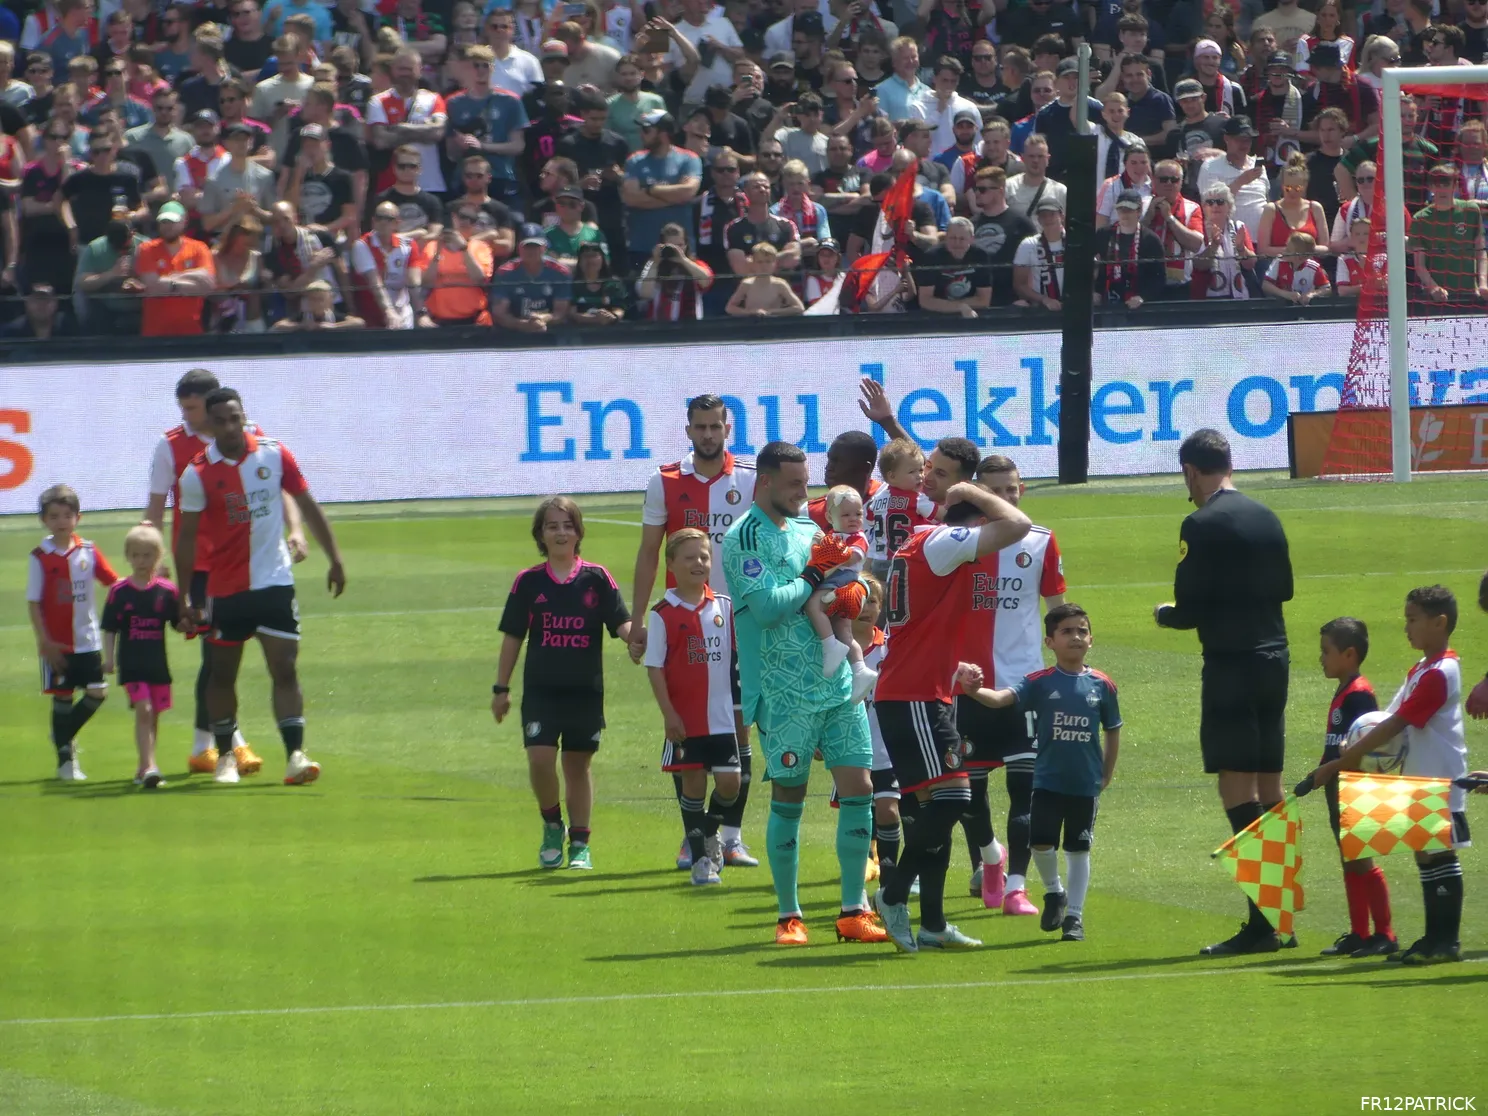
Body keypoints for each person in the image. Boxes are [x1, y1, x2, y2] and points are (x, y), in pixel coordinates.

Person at [720, 441, 888, 947]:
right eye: (794, 484)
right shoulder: (743, 537)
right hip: (782, 688)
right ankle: (789, 916)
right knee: (789, 793)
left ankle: (852, 910)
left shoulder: (810, 529)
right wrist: (815, 576)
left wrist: (848, 591)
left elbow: (838, 589)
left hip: (836, 683)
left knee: (859, 786)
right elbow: (769, 608)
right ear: (765, 482)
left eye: (806, 481)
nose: (803, 492)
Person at [871, 478, 1032, 953]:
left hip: (920, 688)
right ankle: (893, 892)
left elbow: (918, 620)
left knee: (930, 814)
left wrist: (949, 666)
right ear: (976, 519)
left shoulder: (920, 543)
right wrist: (968, 490)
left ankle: (934, 924)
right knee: (954, 796)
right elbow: (1017, 524)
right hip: (915, 695)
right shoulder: (944, 541)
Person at [1154, 428, 1295, 956]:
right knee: (1271, 787)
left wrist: (1167, 617)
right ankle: (1283, 914)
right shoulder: (1267, 515)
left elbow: (1187, 610)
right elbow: (1285, 589)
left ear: (1191, 470)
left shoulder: (1200, 522)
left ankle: (1263, 924)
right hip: (1274, 659)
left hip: (1232, 664)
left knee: (1237, 788)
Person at [174, 387, 345, 787]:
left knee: (284, 667)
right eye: (221, 421)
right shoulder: (197, 474)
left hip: (274, 582)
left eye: (236, 417)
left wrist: (334, 557)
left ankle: (296, 756)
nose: (231, 427)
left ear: (243, 415)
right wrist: (185, 595)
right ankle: (225, 757)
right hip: (225, 588)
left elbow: (306, 503)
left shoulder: (274, 452)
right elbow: (186, 538)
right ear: (209, 425)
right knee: (221, 675)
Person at [1297, 586, 1469, 965]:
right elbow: (1387, 718)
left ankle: (1446, 940)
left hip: (1440, 778)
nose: (1406, 628)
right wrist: (1356, 744)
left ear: (1439, 623)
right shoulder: (1422, 669)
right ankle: (1432, 937)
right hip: (1419, 779)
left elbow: (1395, 724)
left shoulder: (1441, 672)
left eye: (1412, 620)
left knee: (1440, 857)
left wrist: (1343, 759)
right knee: (1425, 856)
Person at [631, 393, 758, 870]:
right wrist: (640, 617)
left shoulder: (749, 479)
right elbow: (648, 553)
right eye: (699, 427)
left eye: (715, 426)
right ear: (688, 430)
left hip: (741, 625)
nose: (708, 434)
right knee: (686, 735)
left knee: (740, 733)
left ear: (728, 427)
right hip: (683, 627)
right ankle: (695, 840)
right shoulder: (665, 480)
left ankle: (730, 836)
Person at [145, 370, 291, 774]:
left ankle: (212, 746)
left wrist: (294, 532)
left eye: (193, 408)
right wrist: (157, 560)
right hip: (203, 566)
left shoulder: (251, 437)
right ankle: (219, 745)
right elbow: (156, 506)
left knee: (224, 656)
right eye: (184, 409)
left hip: (248, 563)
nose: (187, 416)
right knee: (217, 655)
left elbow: (279, 488)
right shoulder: (170, 445)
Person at [956, 602, 1119, 941]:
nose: (1076, 637)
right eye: (1067, 631)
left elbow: (1113, 729)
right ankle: (1053, 891)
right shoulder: (1040, 682)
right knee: (1041, 842)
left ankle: (1074, 916)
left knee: (1078, 848)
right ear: (1050, 643)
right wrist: (975, 691)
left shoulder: (1102, 685)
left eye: (1082, 631)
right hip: (1046, 781)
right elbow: (1002, 698)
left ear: (1091, 640)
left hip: (1084, 784)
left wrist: (1107, 772)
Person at [952, 453, 1066, 913]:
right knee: (967, 793)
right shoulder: (959, 542)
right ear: (979, 492)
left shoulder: (1040, 542)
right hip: (966, 687)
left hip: (1024, 687)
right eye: (994, 491)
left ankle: (1016, 885)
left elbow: (1059, 611)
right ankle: (990, 858)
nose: (1004, 498)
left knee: (1027, 792)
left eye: (1012, 490)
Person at [495, 496, 630, 871]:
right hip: (541, 691)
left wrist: (645, 637)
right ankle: (553, 824)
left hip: (584, 692)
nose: (560, 532)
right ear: (540, 534)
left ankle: (581, 843)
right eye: (552, 526)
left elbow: (621, 624)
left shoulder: (597, 579)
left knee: (576, 766)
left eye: (567, 525)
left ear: (578, 532)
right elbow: (512, 637)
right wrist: (500, 689)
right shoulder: (528, 582)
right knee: (539, 760)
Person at [644, 528, 743, 886]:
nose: (698, 563)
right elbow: (654, 667)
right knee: (694, 785)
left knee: (730, 784)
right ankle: (702, 860)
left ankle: (708, 833)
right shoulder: (663, 613)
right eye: (689, 557)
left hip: (721, 719)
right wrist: (668, 714)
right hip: (685, 719)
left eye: (704, 556)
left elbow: (736, 658)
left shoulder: (724, 606)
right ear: (671, 564)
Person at [1310, 616, 1396, 958]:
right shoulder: (1345, 689)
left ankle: (1385, 934)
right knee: (1349, 859)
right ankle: (1360, 932)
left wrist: (1336, 771)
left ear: (1349, 654)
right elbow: (1337, 742)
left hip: (1354, 786)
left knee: (1361, 859)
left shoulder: (1359, 695)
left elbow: (1363, 743)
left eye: (1325, 651)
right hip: (1338, 784)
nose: (1321, 657)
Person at [27, 483, 118, 782]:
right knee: (63, 698)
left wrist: (145, 581)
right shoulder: (39, 556)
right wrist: (45, 642)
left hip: (87, 639)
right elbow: (34, 602)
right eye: (54, 516)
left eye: (67, 515)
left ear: (77, 517)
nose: (61, 521)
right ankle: (66, 762)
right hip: (57, 644)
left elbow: (112, 582)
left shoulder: (88, 551)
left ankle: (62, 734)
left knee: (98, 692)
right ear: (45, 520)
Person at [101, 523, 182, 790]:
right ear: (128, 556)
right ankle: (150, 767)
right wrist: (109, 658)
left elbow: (176, 623)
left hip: (157, 663)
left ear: (157, 556)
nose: (140, 561)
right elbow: (110, 627)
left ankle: (144, 766)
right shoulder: (119, 591)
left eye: (147, 555)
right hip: (132, 664)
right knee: (144, 710)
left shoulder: (167, 591)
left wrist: (192, 623)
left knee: (154, 714)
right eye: (135, 555)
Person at [620, 109, 701, 274]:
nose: (641, 134)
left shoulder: (689, 159)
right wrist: (674, 196)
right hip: (642, 246)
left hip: (681, 249)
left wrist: (650, 189)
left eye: (647, 130)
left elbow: (688, 191)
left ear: (663, 134)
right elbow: (630, 198)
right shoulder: (635, 160)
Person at [135, 201, 215, 337]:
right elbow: (153, 286)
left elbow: (208, 286)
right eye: (164, 222)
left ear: (184, 222)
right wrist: (193, 278)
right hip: (155, 332)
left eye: (173, 221)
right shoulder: (146, 249)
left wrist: (171, 280)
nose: (168, 227)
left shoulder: (199, 248)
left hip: (191, 330)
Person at [1413, 163, 1488, 306]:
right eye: (1437, 183)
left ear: (1455, 185)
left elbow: (1481, 251)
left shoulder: (1471, 210)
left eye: (1446, 183)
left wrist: (1483, 282)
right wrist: (1434, 288)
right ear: (1430, 187)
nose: (1442, 188)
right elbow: (1419, 266)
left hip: (1470, 293)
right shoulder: (1420, 218)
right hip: (1436, 299)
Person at [1197, 114, 1268, 239]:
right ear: (1226, 139)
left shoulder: (1258, 166)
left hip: (1261, 241)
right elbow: (1210, 205)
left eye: (1247, 139)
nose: (1244, 144)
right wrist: (1240, 182)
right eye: (1238, 139)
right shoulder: (1210, 167)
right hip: (1228, 241)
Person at [491, 222, 572, 331]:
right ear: (519, 248)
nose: (531, 251)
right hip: (513, 333)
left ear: (544, 247)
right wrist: (524, 325)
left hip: (552, 332)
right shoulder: (505, 273)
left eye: (536, 246)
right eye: (527, 246)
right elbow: (500, 314)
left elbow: (561, 312)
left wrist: (544, 318)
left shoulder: (560, 272)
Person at [1094, 188, 1165, 308]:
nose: (1124, 214)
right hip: (1106, 304)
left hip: (1138, 307)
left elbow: (1159, 278)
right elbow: (1087, 266)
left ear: (1139, 211)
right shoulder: (1103, 235)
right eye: (1121, 209)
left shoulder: (1151, 239)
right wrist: (1093, 291)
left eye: (1129, 209)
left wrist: (1143, 297)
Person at [1191, 181, 1258, 299]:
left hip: (1238, 296)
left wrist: (1241, 249)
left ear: (1230, 206)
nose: (1215, 206)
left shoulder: (1238, 227)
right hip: (1206, 298)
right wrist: (1214, 246)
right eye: (1210, 202)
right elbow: (1198, 265)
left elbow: (1250, 264)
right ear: (1204, 207)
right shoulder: (1197, 228)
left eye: (1220, 202)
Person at [725, 240, 805, 316]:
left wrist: (771, 312)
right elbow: (730, 308)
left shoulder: (780, 284)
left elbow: (799, 308)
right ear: (753, 263)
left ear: (775, 264)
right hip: (751, 325)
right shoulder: (747, 284)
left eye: (768, 262)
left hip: (774, 325)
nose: (764, 266)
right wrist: (749, 312)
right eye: (760, 262)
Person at [1012, 195, 1066, 309]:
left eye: (1052, 214)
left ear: (1061, 216)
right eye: (1043, 216)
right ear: (1038, 219)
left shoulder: (1075, 242)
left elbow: (1090, 271)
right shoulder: (1028, 244)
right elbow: (1020, 285)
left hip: (1074, 306)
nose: (1048, 219)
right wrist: (1044, 300)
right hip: (1042, 307)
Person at [1261, 229, 1330, 304]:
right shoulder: (1279, 261)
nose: (1284, 252)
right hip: (1282, 306)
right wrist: (1285, 294)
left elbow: (1327, 289)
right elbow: (1265, 285)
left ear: (1301, 256)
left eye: (1288, 250)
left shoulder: (1314, 268)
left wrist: (1312, 294)